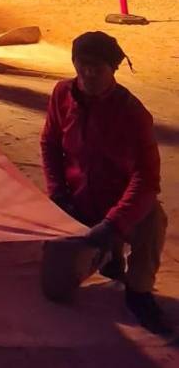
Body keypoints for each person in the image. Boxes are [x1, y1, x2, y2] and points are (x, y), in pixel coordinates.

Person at [41, 30, 170, 335]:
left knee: (153, 218)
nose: (88, 73)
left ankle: (138, 291)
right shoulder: (62, 94)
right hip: (78, 203)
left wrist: (113, 225)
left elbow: (147, 179)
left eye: (97, 67)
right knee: (55, 289)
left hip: (118, 205)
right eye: (81, 64)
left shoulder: (132, 113)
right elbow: (50, 144)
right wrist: (58, 194)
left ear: (113, 69)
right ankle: (108, 254)